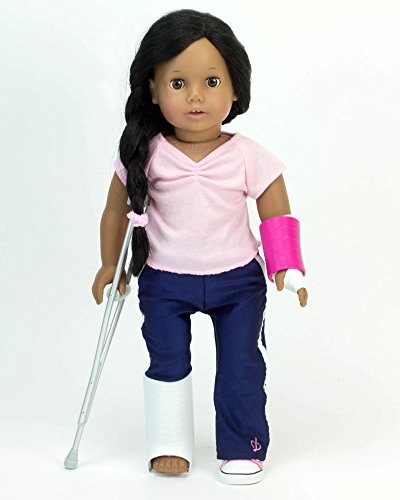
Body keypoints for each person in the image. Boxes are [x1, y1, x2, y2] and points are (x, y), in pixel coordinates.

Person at [91, 8, 308, 485]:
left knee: (241, 364)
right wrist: (110, 263)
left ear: (236, 89)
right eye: (178, 83)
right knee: (166, 360)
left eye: (212, 82)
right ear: (153, 89)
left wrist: (286, 266)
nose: (195, 95)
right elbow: (114, 209)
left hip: (237, 282)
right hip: (165, 279)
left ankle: (243, 444)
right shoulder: (144, 153)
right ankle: (169, 442)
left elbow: (276, 214)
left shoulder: (248, 154)